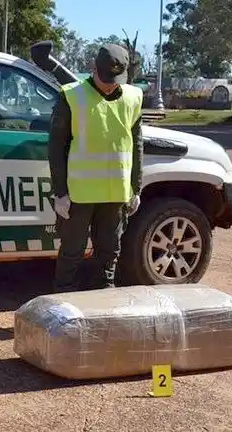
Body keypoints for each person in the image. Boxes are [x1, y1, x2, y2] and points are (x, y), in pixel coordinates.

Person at [47, 44, 143, 293]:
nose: (109, 84)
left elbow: (136, 145)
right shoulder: (72, 95)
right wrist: (60, 193)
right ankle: (62, 306)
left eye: (115, 79)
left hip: (114, 194)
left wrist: (136, 187)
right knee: (72, 253)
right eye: (104, 78)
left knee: (109, 253)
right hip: (78, 195)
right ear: (93, 69)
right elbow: (56, 147)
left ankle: (103, 306)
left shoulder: (133, 98)